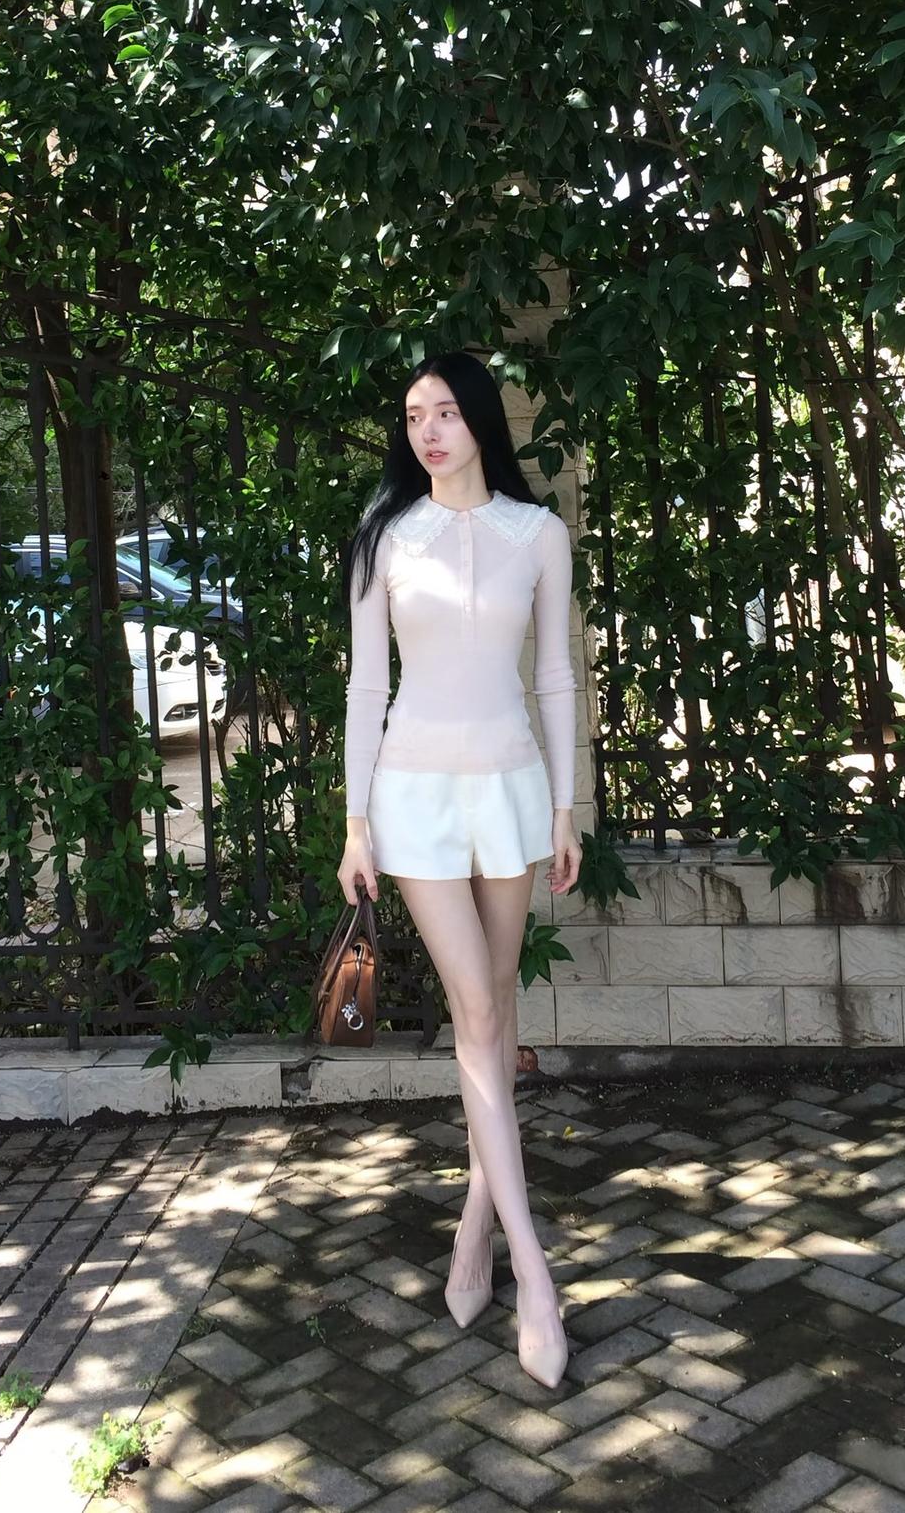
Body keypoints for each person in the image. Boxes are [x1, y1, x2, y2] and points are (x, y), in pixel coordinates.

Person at [338, 350, 582, 1390]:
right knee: (476, 1011)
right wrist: (355, 824)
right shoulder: (384, 537)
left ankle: (476, 1222)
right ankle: (535, 1273)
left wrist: (565, 807)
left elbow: (555, 676)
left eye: (443, 411)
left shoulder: (538, 534)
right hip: (413, 797)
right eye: (412, 416)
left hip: (512, 790)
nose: (427, 430)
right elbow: (365, 687)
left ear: (480, 418)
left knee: (499, 1008)